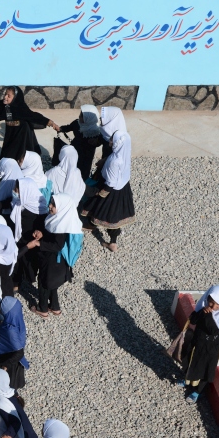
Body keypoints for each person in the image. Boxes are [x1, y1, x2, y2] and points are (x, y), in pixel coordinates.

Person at [0, 86, 58, 161]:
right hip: (10, 134)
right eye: (5, 94)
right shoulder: (3, 106)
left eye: (9, 96)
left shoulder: (21, 108)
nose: (5, 97)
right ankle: (6, 172)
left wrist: (50, 123)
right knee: (7, 153)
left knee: (21, 155)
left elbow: (34, 116)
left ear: (15, 97)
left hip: (22, 135)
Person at [29, 192, 84, 317]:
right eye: (51, 202)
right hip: (58, 262)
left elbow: (57, 245)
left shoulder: (61, 226)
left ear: (62, 207)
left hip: (52, 260)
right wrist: (42, 234)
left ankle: (42, 309)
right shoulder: (62, 219)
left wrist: (39, 244)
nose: (50, 206)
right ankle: (55, 307)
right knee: (52, 283)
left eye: (53, 204)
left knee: (44, 282)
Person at [86, 117, 134, 252]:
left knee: (101, 208)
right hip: (122, 189)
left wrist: (100, 193)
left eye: (113, 140)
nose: (110, 141)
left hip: (110, 189)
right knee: (115, 216)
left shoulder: (114, 161)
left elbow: (110, 182)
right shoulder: (123, 153)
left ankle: (89, 225)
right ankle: (113, 242)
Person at [179, 285, 219, 403]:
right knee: (190, 360)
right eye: (210, 302)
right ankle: (187, 381)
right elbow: (193, 320)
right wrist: (202, 312)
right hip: (197, 342)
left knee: (204, 369)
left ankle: (197, 392)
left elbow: (213, 331)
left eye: (217, 304)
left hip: (209, 348)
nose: (212, 306)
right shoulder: (204, 308)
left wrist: (207, 316)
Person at [9, 178, 48, 288]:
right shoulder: (21, 202)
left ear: (26, 191)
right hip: (18, 236)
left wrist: (40, 232)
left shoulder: (39, 207)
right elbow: (8, 202)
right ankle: (15, 282)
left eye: (17, 190)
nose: (14, 192)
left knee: (27, 261)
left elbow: (44, 226)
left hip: (30, 239)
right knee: (16, 261)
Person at [58, 104, 107, 179]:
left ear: (88, 117)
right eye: (80, 114)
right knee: (72, 165)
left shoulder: (97, 130)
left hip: (87, 154)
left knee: (84, 169)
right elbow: (69, 127)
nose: (79, 117)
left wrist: (96, 142)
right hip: (75, 148)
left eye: (82, 116)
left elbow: (101, 141)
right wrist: (60, 129)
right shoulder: (77, 123)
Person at [0, 296, 28, 390]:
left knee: (0, 387)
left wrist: (5, 365)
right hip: (12, 361)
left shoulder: (10, 329)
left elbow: (19, 353)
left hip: (6, 361)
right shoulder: (16, 319)